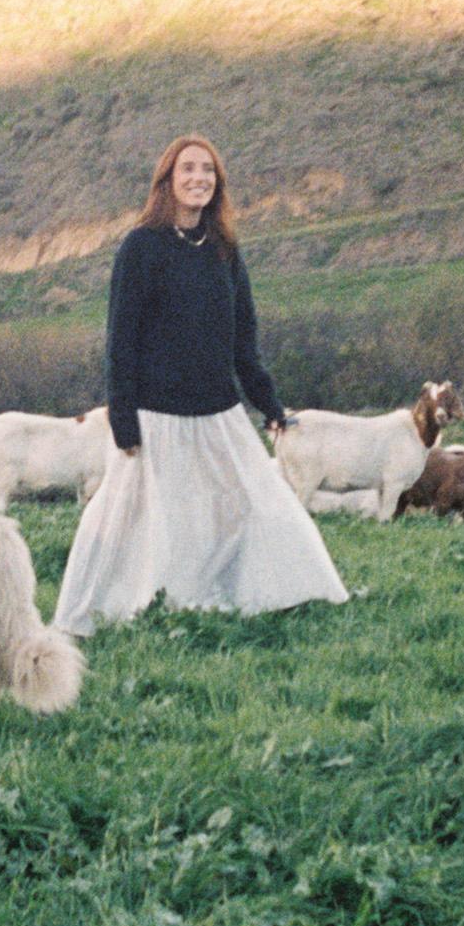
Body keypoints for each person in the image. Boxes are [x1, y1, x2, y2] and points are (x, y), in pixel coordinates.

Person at [54, 135, 348, 635]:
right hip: (155, 415)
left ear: (218, 184)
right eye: (188, 169)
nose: (199, 179)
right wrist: (123, 419)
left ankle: (283, 593)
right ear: (167, 179)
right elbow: (120, 341)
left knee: (261, 503)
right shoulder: (140, 247)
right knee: (144, 522)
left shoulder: (224, 252)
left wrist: (269, 404)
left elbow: (243, 340)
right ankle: (127, 611)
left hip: (219, 413)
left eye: (208, 171)